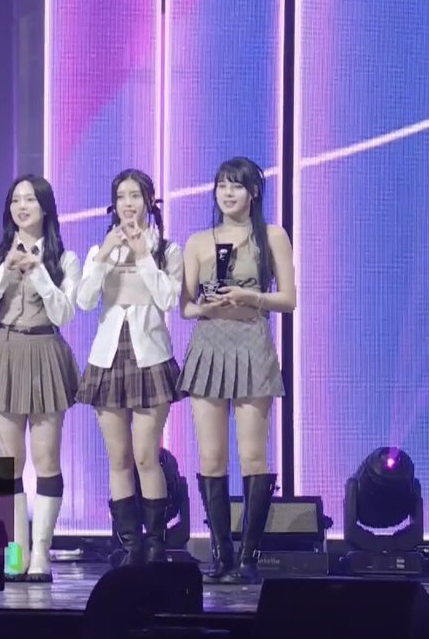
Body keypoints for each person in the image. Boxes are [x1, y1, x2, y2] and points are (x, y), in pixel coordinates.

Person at [179, 156, 295, 585]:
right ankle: (220, 555)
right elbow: (185, 306)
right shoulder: (197, 242)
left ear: (254, 192)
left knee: (252, 456)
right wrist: (205, 307)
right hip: (209, 345)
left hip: (251, 343)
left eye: (236, 186)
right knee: (211, 457)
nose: (227, 194)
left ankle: (249, 558)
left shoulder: (272, 236)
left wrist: (250, 298)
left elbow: (289, 299)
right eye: (222, 186)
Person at [0, 174, 79, 583]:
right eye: (16, 200)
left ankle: (42, 554)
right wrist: (6, 272)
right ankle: (15, 554)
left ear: (45, 207)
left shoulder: (64, 259)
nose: (22, 207)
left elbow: (66, 312)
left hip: (46, 349)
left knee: (46, 459)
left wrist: (38, 273)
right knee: (8, 464)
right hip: (6, 349)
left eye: (30, 199)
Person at [75, 169, 183, 567]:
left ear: (149, 201)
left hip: (150, 356)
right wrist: (104, 255)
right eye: (121, 196)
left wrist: (143, 255)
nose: (128, 203)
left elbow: (168, 299)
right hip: (108, 357)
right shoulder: (100, 250)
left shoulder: (167, 249)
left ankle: (155, 545)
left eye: (135, 195)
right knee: (118, 458)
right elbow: (84, 301)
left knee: (145, 456)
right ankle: (129, 546)